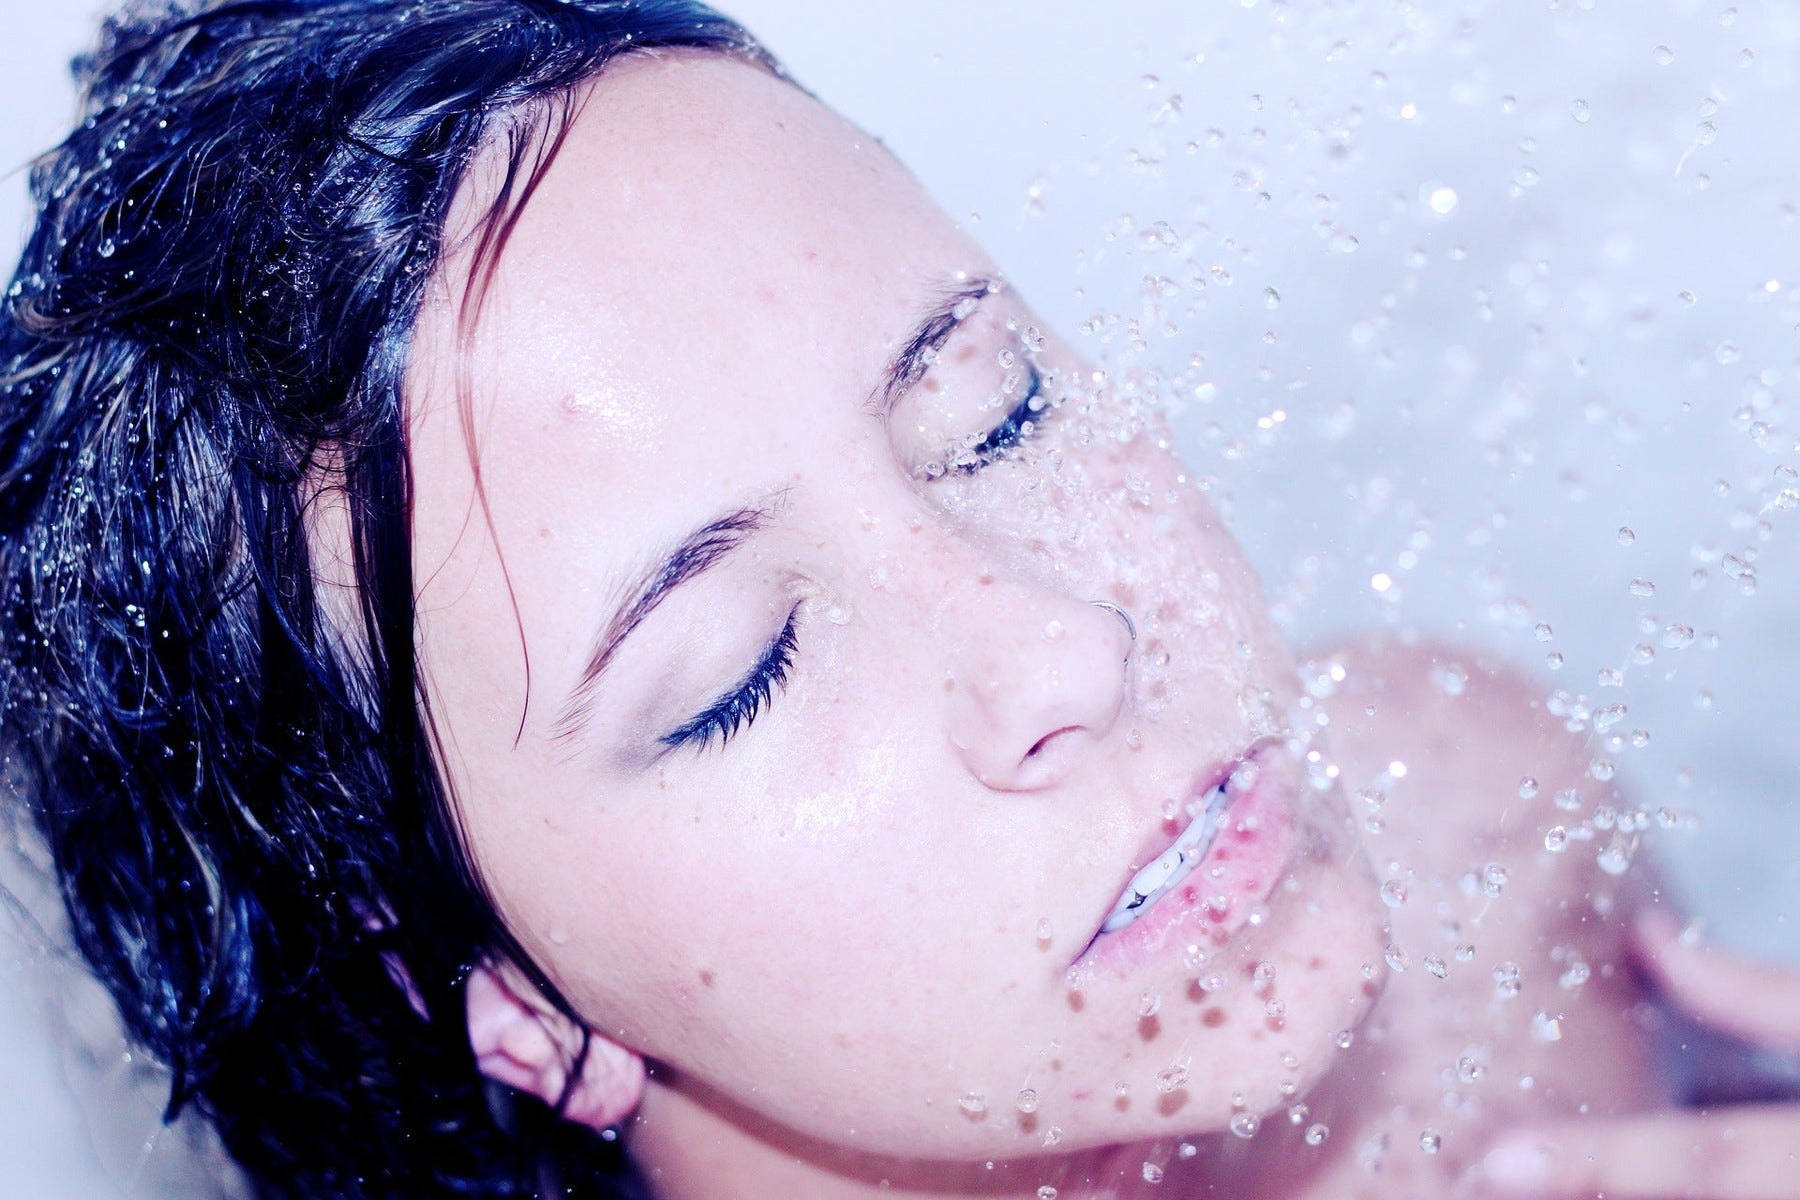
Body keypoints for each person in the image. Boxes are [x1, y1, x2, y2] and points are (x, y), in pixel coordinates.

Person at [0, 1, 1793, 1196]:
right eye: (743, 674)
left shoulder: (1468, 846)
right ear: (518, 1012)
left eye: (985, 410)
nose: (1070, 642)